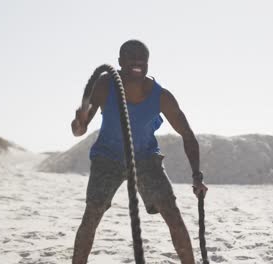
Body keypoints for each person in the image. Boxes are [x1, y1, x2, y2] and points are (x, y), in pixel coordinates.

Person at [71, 39, 208, 264]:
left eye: (141, 58)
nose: (136, 62)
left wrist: (196, 176)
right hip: (107, 157)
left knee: (173, 214)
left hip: (146, 158)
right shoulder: (105, 85)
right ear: (120, 63)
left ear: (147, 63)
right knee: (91, 215)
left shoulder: (161, 96)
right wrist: (80, 121)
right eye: (130, 58)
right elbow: (79, 130)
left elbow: (188, 135)